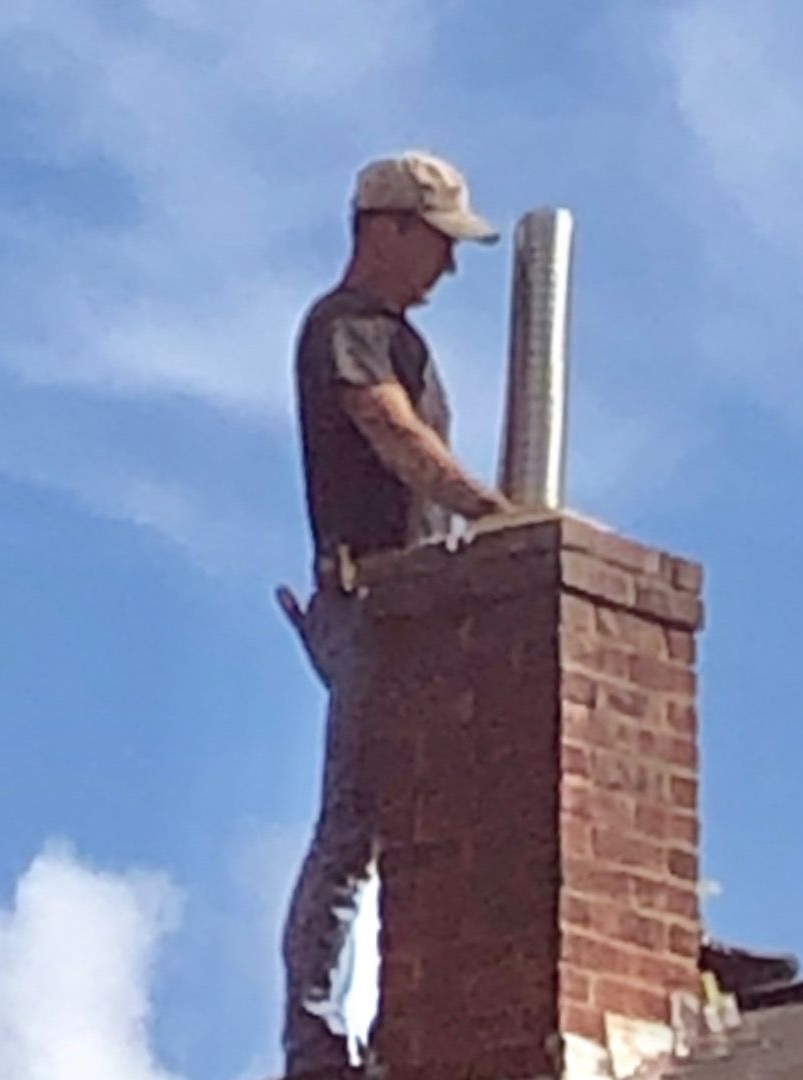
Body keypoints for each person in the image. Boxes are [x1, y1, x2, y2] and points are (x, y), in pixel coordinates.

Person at [280, 151, 513, 1074]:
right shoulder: (345, 330)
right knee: (355, 824)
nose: (448, 268)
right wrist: (498, 515)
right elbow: (390, 431)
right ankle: (313, 1037)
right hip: (373, 600)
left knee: (496, 782)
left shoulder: (400, 340)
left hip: (415, 604)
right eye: (438, 243)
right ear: (386, 229)